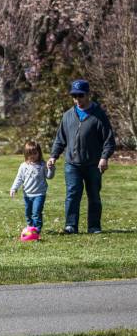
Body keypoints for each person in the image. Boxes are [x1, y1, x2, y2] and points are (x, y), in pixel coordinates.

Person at [47, 79, 116, 234]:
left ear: (88, 94)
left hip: (93, 164)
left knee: (94, 196)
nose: (77, 99)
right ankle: (71, 226)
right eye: (74, 96)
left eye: (80, 95)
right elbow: (60, 139)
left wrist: (104, 157)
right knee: (72, 195)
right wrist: (53, 156)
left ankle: (94, 226)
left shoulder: (98, 115)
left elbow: (109, 140)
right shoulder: (67, 116)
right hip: (72, 164)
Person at [10, 140, 54, 233]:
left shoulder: (42, 165)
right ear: (26, 154)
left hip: (39, 194)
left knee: (36, 213)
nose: (32, 156)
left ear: (39, 153)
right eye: (30, 154)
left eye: (35, 153)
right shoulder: (23, 166)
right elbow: (19, 178)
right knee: (28, 213)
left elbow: (49, 176)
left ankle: (37, 230)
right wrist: (14, 188)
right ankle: (30, 226)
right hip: (27, 194)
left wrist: (51, 168)